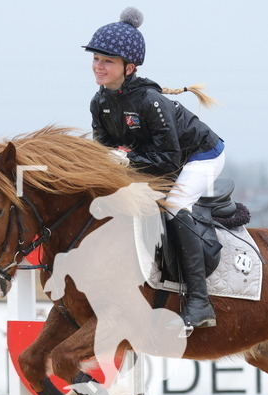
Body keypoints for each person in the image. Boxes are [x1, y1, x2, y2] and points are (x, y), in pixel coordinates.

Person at [84, 7, 225, 330]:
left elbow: (169, 161)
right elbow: (105, 151)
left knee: (174, 206)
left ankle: (200, 302)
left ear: (128, 67)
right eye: (95, 59)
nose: (98, 66)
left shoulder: (150, 102)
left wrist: (125, 159)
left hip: (200, 157)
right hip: (156, 158)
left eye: (107, 61)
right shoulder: (99, 102)